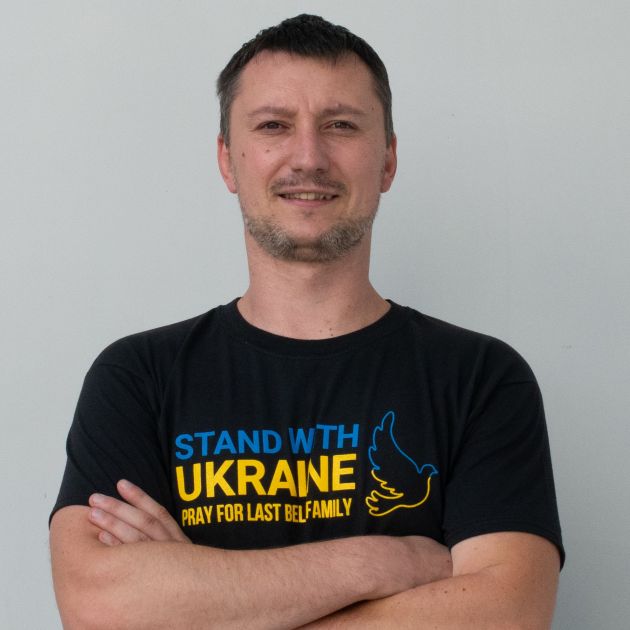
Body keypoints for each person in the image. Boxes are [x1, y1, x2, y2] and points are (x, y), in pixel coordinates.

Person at [49, 14, 563, 629]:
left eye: (341, 125)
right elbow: (98, 607)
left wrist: (201, 603)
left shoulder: (481, 378)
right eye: (274, 125)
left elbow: (507, 614)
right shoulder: (138, 378)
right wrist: (379, 563)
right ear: (228, 161)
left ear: (388, 160)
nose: (309, 157)